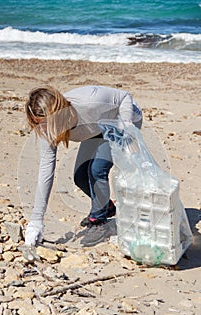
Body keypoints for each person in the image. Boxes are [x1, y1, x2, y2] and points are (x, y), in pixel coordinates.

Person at [24, 85, 143, 247]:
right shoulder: (47, 130)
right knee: (80, 177)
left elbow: (124, 97)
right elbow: (46, 170)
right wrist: (36, 222)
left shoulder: (90, 101)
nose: (44, 129)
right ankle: (106, 207)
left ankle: (98, 222)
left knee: (96, 170)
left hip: (121, 119)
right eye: (39, 124)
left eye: (46, 123)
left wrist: (126, 128)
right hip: (94, 128)